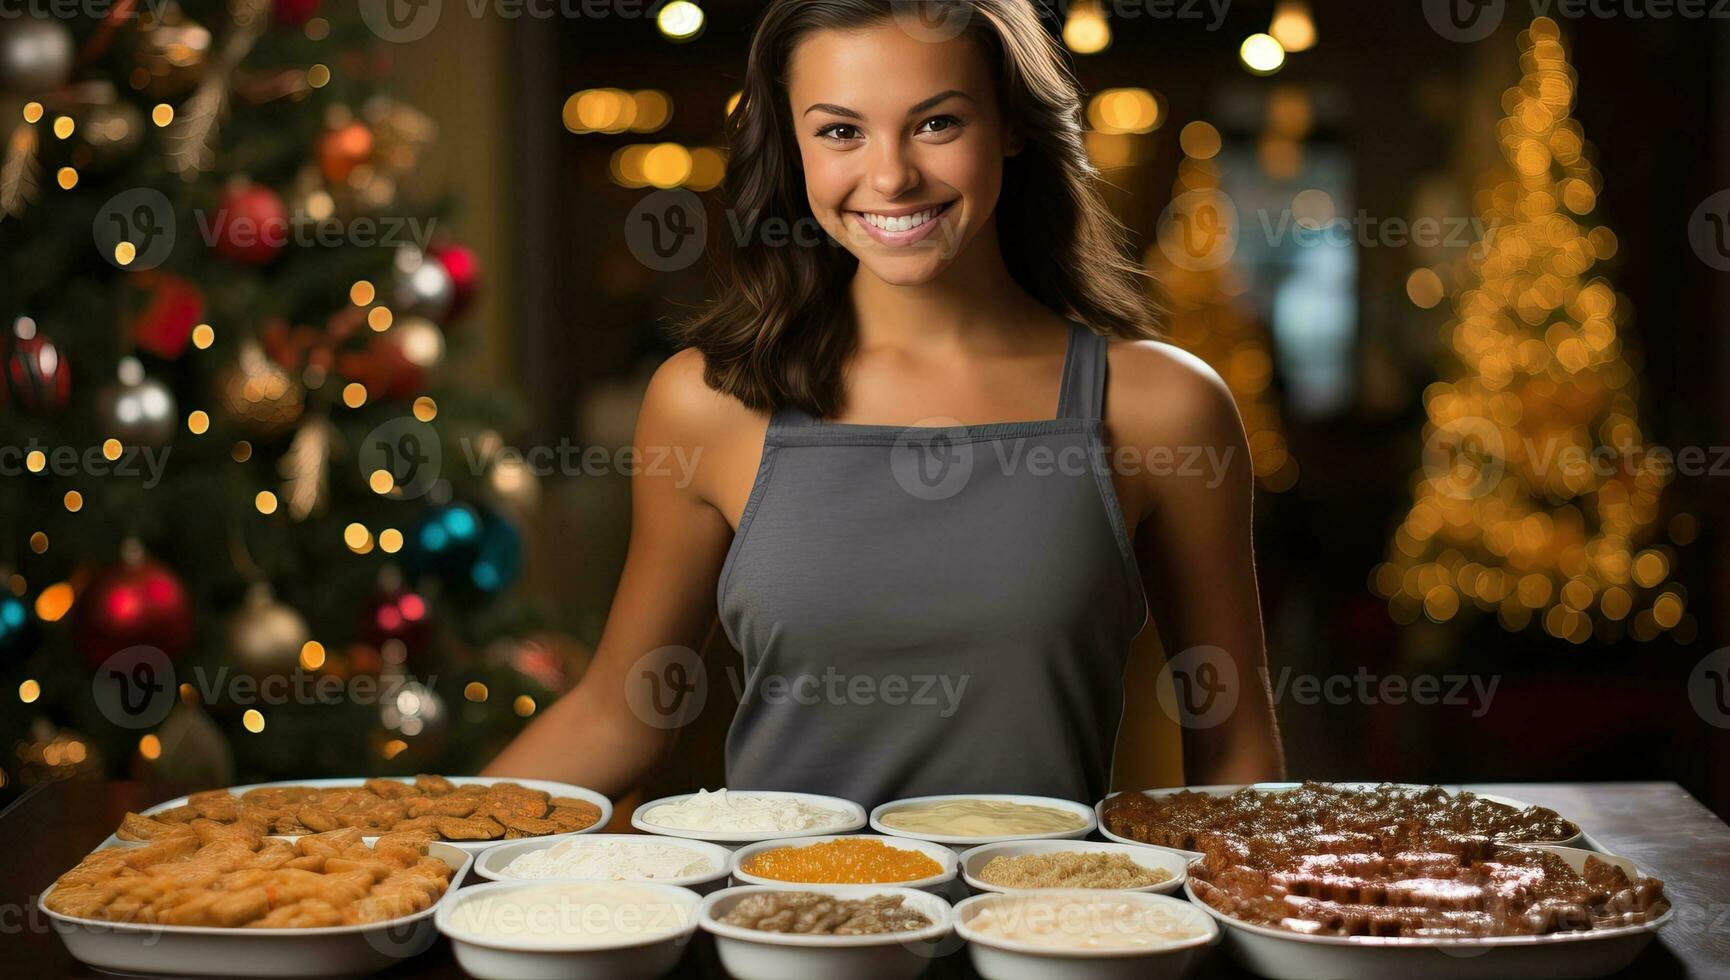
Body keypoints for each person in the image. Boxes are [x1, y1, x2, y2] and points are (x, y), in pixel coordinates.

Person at [484, 0, 1283, 810]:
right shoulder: (708, 402)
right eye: (840, 131)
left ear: (1011, 124)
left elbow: (1237, 750)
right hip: (777, 927)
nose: (892, 175)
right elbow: (620, 716)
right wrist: (413, 846)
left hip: (1042, 928)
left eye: (937, 124)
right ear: (792, 148)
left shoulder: (1162, 408)